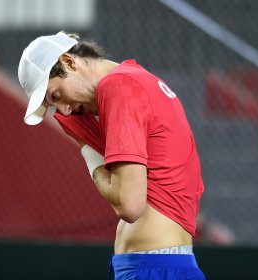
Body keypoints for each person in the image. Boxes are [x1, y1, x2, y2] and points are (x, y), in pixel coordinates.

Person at [18, 31, 205, 280]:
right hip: (159, 264)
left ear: (69, 62)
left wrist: (89, 156)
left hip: (154, 268)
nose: (64, 109)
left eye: (55, 95)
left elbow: (129, 205)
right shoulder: (135, 80)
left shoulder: (118, 87)